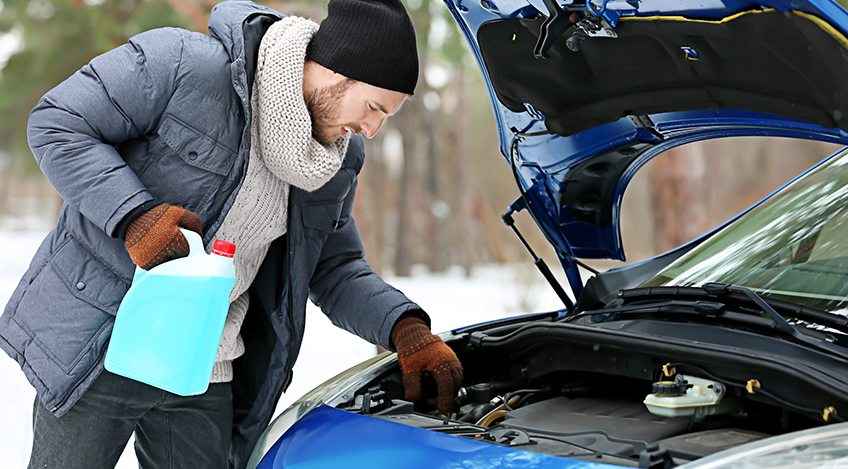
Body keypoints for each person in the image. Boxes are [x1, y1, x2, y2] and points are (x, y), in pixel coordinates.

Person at [0, 0, 463, 467]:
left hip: (205, 368)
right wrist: (133, 215)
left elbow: (335, 267)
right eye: (373, 107)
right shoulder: (183, 66)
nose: (373, 128)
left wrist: (404, 328)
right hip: (107, 344)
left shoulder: (335, 160)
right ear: (334, 71)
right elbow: (59, 122)